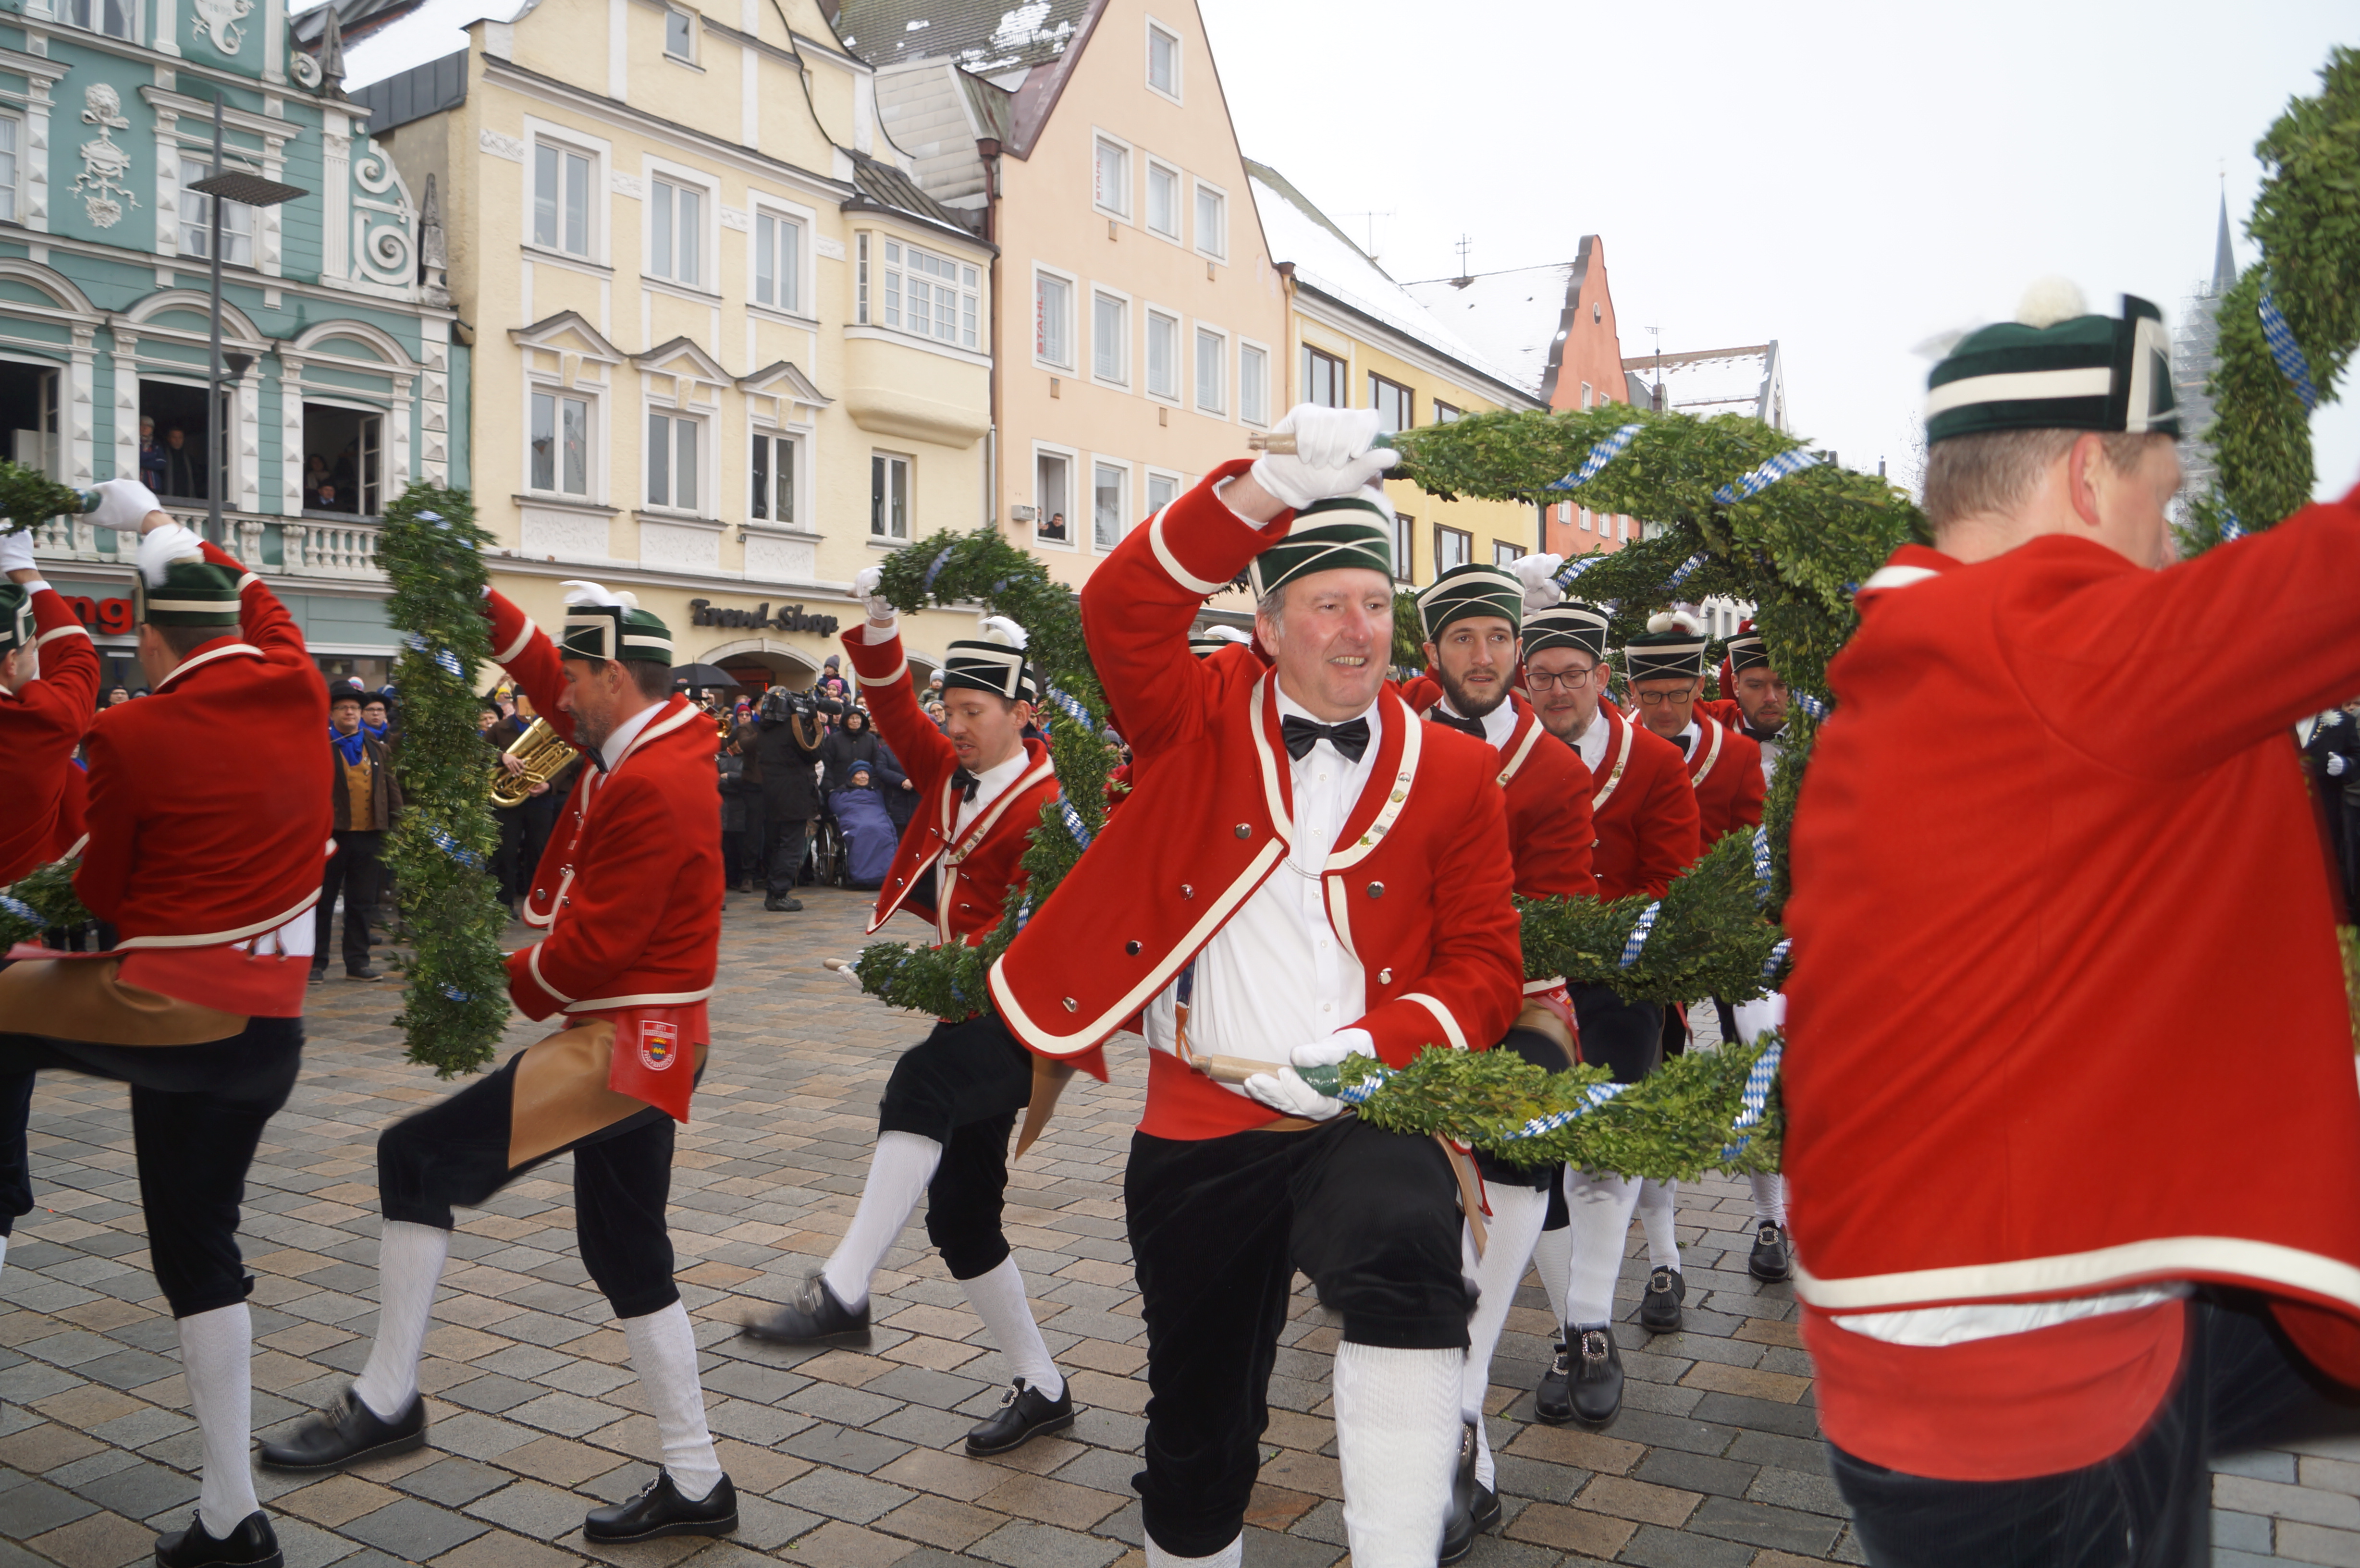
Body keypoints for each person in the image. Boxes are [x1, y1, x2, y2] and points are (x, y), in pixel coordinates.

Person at [1784, 285, 2360, 1559]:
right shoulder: (2044, 644)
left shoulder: (1926, 648)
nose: (2173, 538)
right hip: (2028, 1373)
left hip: (1992, 1314)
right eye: (2165, 495)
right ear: (2091, 477)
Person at [988, 406, 1523, 1568]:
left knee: (1406, 1251)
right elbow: (1120, 607)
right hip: (1203, 1118)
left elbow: (1486, 963)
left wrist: (1377, 1046)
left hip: (1369, 1106)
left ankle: (1397, 1547)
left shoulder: (1454, 768)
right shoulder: (1190, 716)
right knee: (1198, 1437)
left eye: (1374, 604)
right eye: (1326, 605)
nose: (1357, 630)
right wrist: (1261, 488)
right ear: (1268, 625)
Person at [261, 581, 739, 1543]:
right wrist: (472, 592)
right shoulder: (643, 740)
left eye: (575, 680)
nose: (556, 697)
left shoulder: (650, 778)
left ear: (614, 678)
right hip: (640, 1033)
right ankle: (697, 1481)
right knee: (627, 1252)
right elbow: (543, 668)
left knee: (416, 1157)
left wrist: (479, 976)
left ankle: (387, 1397)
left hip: (630, 1040)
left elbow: (591, 952)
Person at [0, 477, 329, 1568]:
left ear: (150, 639)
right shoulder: (299, 682)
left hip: (174, 1016)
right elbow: (261, 597)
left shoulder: (134, 729)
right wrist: (155, 524)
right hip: (271, 1033)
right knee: (199, 1247)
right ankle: (232, 1516)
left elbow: (103, 893)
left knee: (6, 998)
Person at [744, 604, 1077, 1459]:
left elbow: (1024, 946)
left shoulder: (1053, 810)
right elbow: (894, 708)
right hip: (965, 1010)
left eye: (973, 710)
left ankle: (844, 1289)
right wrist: (879, 628)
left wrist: (910, 970)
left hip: (1028, 1019)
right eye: (949, 709)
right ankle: (1043, 1386)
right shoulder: (950, 769)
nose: (953, 725)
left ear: (1023, 713)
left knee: (919, 1084)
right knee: (961, 1219)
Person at [1401, 560, 1600, 1555]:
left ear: (1518, 649)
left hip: (1522, 989)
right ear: (1431, 650)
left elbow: (1563, 913)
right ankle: (1454, 1435)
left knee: (1525, 1137)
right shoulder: (1388, 734)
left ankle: (1461, 1401)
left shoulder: (1555, 772)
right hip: (1405, 990)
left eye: (1497, 637)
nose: (1482, 656)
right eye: (1462, 638)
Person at [1516, 592, 1699, 1428]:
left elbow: (1673, 883)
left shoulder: (1652, 763)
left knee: (1603, 1138)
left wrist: (1592, 940)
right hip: (1523, 984)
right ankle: (1574, 1331)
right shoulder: (1501, 755)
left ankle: (1589, 1319)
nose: (1557, 690)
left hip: (1620, 978)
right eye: (1542, 676)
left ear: (1600, 679)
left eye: (1572, 675)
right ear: (1525, 681)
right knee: (1533, 1156)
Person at [1611, 612, 1764, 1337]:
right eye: (1650, 696)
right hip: (1641, 952)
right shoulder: (1611, 749)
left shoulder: (1735, 756)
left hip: (1721, 939)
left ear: (1701, 687)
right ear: (1631, 690)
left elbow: (1753, 853)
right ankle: (1665, 1260)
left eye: (1677, 694)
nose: (1664, 708)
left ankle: (1771, 1219)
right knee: (1650, 1099)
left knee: (1758, 1062)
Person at [1698, 621, 1797, 1284]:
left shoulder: (1827, 745)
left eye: (1780, 684)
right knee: (1759, 1067)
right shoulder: (1715, 747)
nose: (1770, 697)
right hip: (1742, 940)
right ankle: (1770, 1218)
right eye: (1755, 684)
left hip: (1822, 932)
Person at [0, 526, 98, 886]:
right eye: (32, 648)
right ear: (12, 662)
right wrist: (22, 568)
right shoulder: (40, 723)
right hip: (15, 911)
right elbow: (78, 656)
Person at [313, 687, 401, 983]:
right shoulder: (320, 746)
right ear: (331, 714)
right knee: (323, 902)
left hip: (370, 835)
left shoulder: (377, 747)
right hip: (331, 837)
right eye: (342, 708)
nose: (349, 712)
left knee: (362, 903)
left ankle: (358, 962)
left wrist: (398, 825)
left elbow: (391, 788)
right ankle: (316, 962)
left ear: (361, 714)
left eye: (354, 708)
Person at [750, 685, 823, 911]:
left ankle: (773, 890)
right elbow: (815, 753)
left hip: (771, 792)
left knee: (775, 844)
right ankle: (779, 894)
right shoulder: (794, 728)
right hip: (795, 794)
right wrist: (814, 726)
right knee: (791, 846)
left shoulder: (764, 728)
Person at [829, 761, 897, 890]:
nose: (863, 777)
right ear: (852, 777)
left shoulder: (876, 792)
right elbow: (840, 810)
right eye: (859, 773)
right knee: (862, 830)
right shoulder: (839, 794)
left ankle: (885, 874)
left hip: (877, 819)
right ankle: (862, 875)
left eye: (866, 774)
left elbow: (880, 808)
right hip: (854, 819)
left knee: (885, 830)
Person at [161, 425, 205, 500]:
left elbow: (197, 479)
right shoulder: (163, 456)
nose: (177, 440)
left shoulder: (190, 460)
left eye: (180, 438)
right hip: (167, 498)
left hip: (187, 497)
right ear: (169, 439)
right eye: (174, 437)